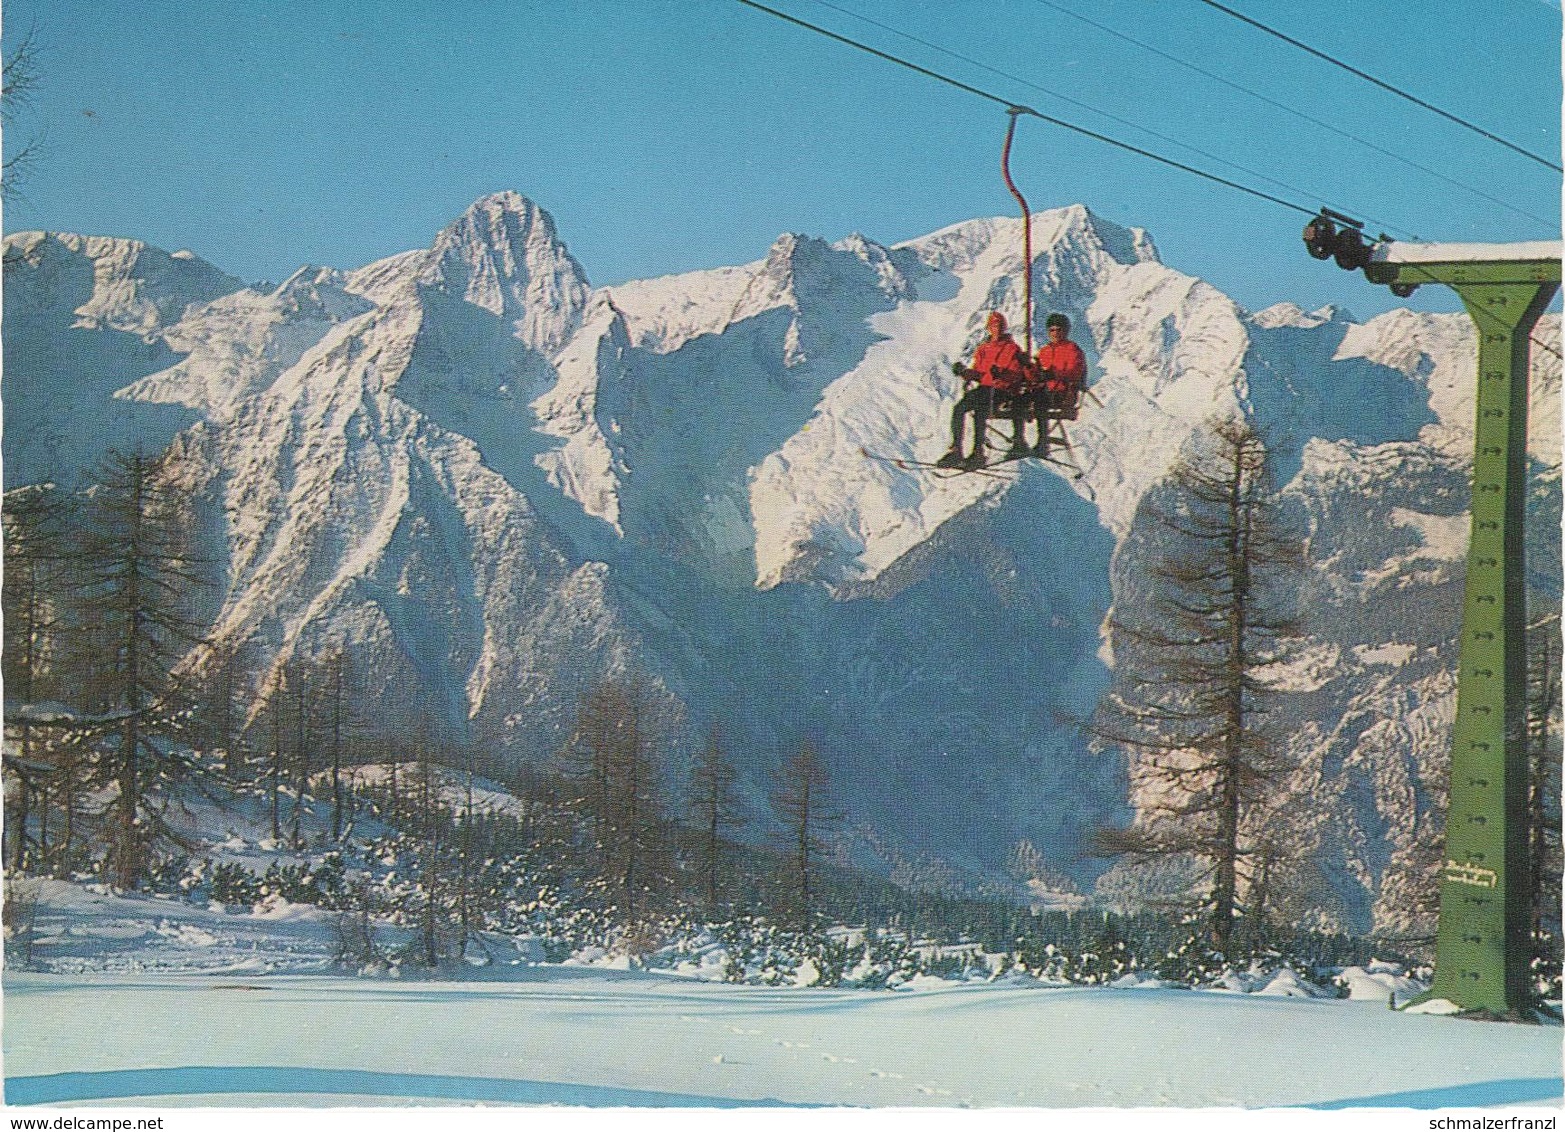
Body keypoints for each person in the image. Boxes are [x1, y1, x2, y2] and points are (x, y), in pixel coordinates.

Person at [937, 311, 1030, 469]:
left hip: (1002, 390)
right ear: (989, 328)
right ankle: (956, 450)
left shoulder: (1012, 348)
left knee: (980, 411)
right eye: (994, 325)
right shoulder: (983, 349)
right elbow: (978, 373)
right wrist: (965, 372)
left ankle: (977, 452)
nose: (997, 328)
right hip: (985, 388)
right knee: (959, 408)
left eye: (1000, 325)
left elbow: (1016, 373)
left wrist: (1001, 373)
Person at [1029, 312, 1088, 456]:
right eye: (1052, 330)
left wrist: (1054, 374)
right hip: (1045, 391)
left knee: (1039, 400)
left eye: (1058, 329)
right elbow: (1036, 374)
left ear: (1066, 331)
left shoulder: (1072, 350)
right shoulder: (1044, 351)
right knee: (1023, 398)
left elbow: (1074, 372)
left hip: (1064, 393)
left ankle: (1043, 442)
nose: (1055, 333)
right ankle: (1018, 441)